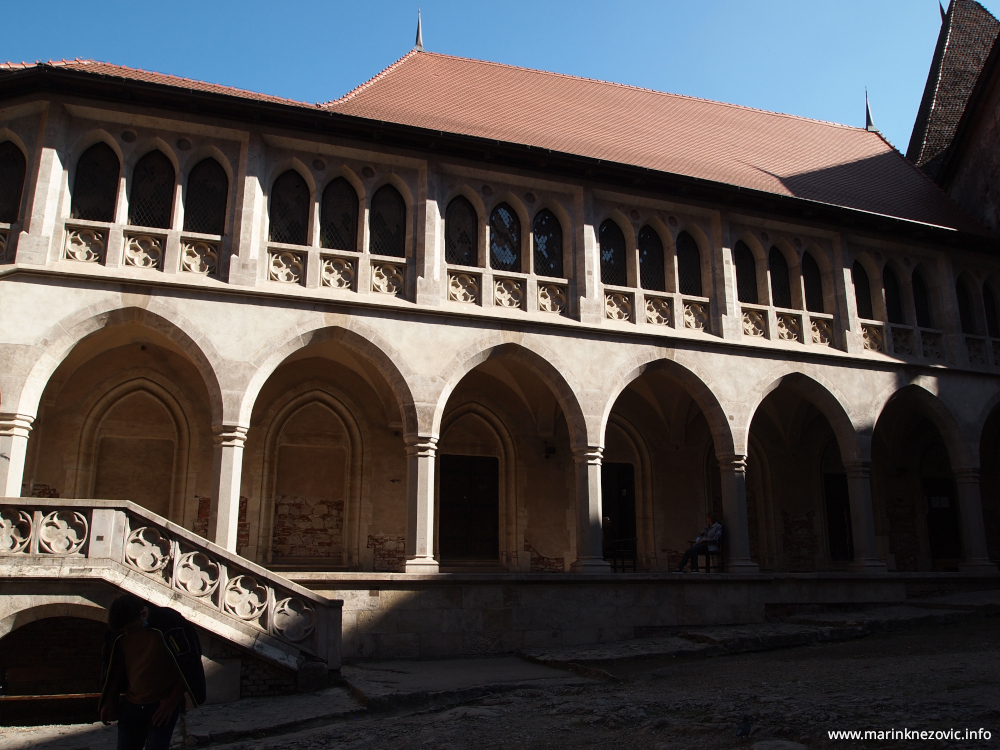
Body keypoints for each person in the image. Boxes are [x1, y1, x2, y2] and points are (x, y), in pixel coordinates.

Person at [99, 594, 207, 750]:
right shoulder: (119, 631)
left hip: (161, 705)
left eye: (131, 629)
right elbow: (114, 667)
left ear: (143, 614)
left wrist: (172, 701)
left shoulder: (170, 623)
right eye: (124, 630)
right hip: (132, 705)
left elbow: (188, 664)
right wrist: (108, 700)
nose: (127, 634)